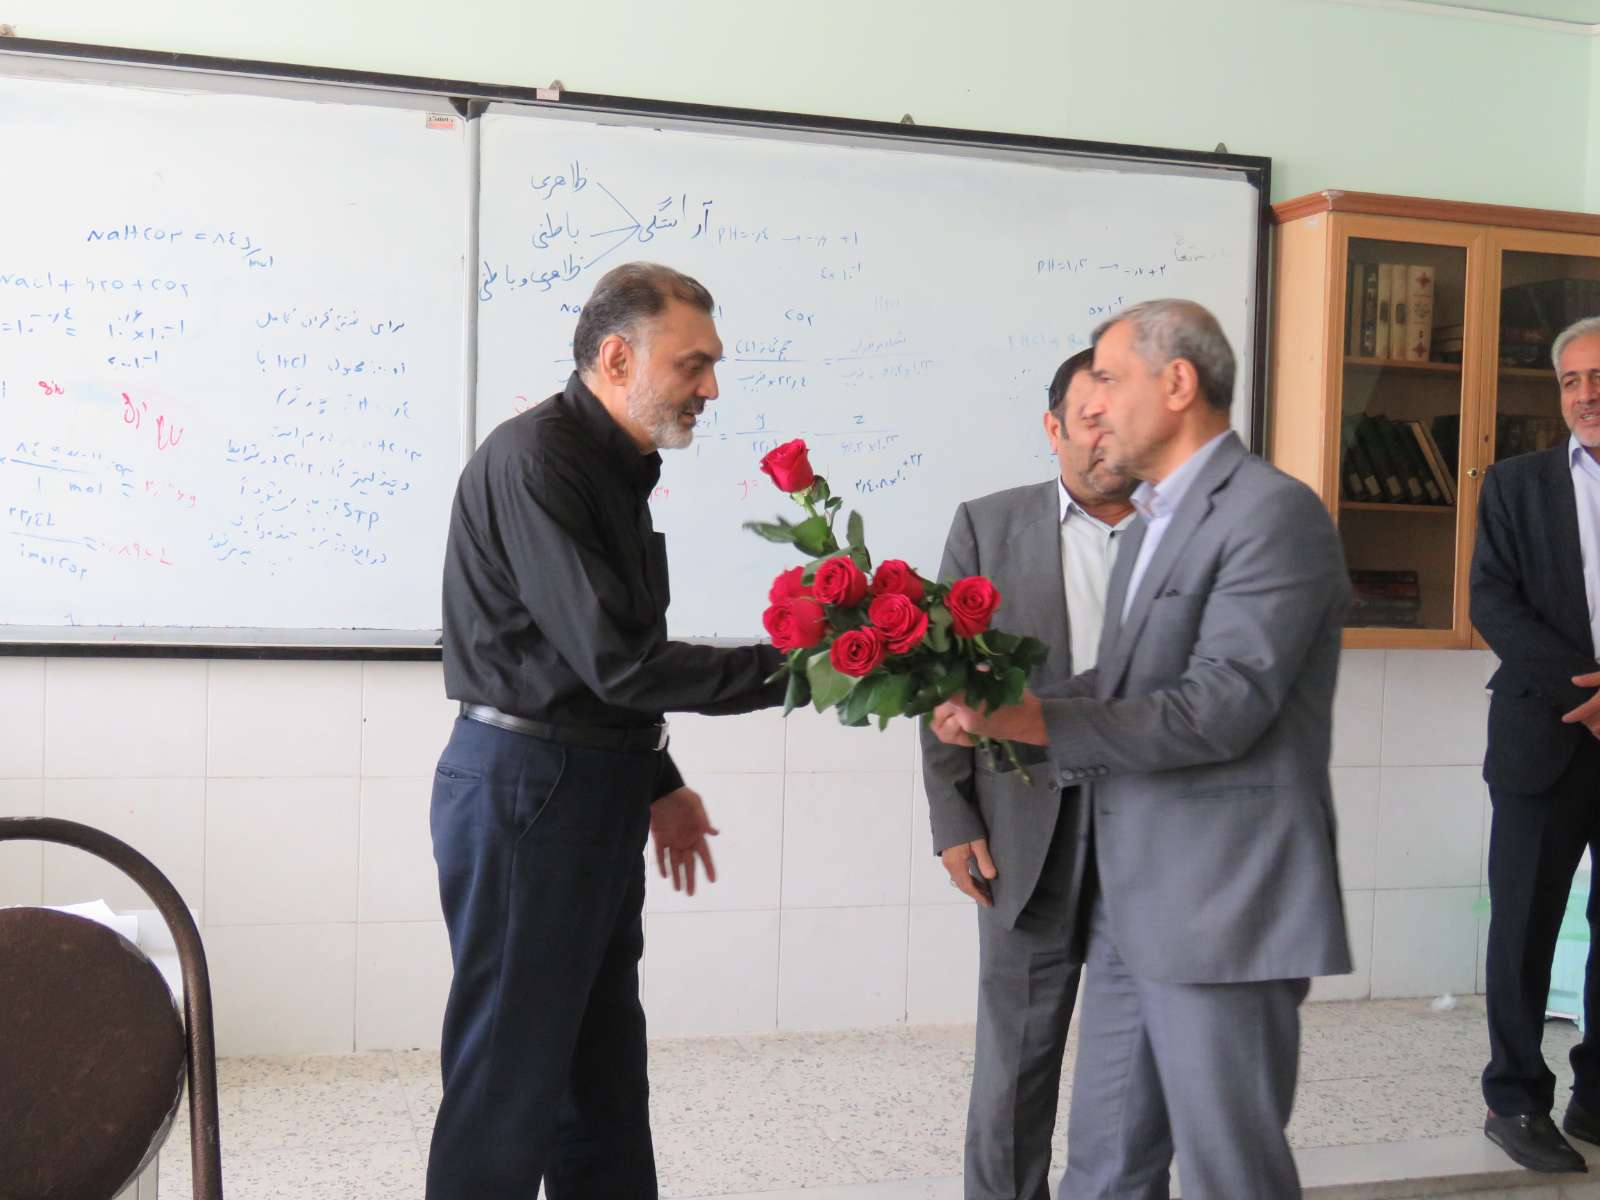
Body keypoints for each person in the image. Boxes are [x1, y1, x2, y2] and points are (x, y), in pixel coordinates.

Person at [929, 298, 1351, 1200]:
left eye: (1111, 381)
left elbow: (1219, 709)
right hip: (1137, 896)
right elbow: (1122, 683)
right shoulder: (1160, 519)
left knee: (1230, 1173)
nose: (1095, 407)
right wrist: (1003, 706)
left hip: (1223, 901)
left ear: (1178, 384)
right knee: (1108, 1169)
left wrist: (1027, 722)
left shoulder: (1272, 514)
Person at [427, 262, 785, 1198]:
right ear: (618, 357)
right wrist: (801, 667)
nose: (712, 387)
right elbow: (618, 662)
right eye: (694, 364)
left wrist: (659, 781)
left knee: (602, 1076)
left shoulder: (616, 468)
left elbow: (592, 665)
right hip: (529, 791)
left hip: (582, 782)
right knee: (507, 1084)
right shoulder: (540, 460)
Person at [920, 347, 1136, 1200]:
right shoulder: (988, 526)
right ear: (1053, 427)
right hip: (1026, 824)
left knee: (1135, 1063)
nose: (1109, 439)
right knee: (1016, 1057)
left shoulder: (1188, 534)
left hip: (1154, 826)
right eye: (1090, 420)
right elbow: (942, 683)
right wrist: (953, 818)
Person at [1473, 314, 1600, 1175]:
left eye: (1599, 377)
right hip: (1542, 733)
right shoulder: (1515, 484)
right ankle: (1515, 1100)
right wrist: (1587, 695)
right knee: (1525, 923)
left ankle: (1598, 1095)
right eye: (1571, 381)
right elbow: (1493, 601)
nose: (1586, 395)